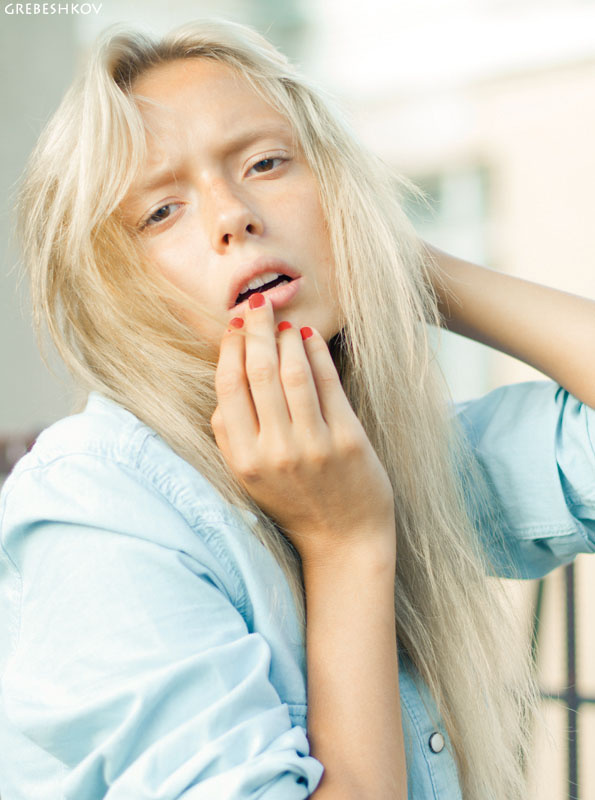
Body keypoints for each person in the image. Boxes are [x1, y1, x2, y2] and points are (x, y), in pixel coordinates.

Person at [0, 18, 594, 800]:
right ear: (112, 289)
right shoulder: (95, 513)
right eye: (161, 211)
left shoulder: (371, 445)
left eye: (265, 163)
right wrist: (344, 540)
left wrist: (395, 262)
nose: (232, 215)